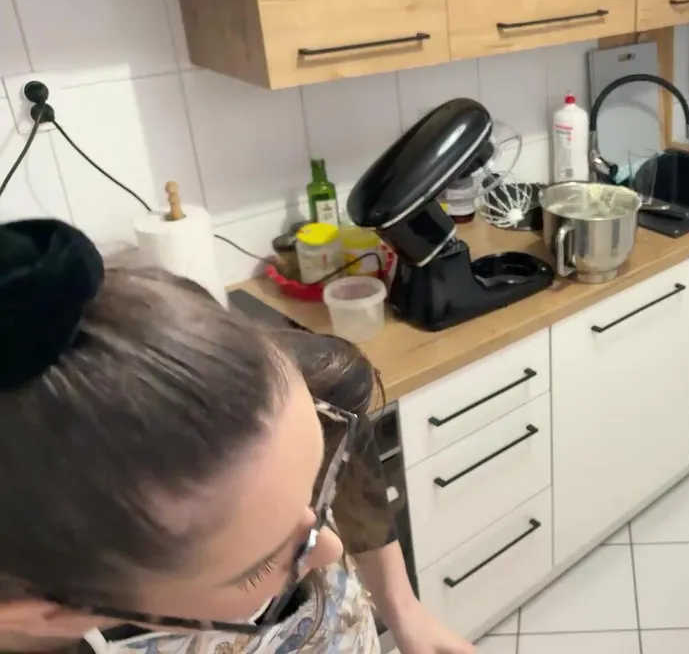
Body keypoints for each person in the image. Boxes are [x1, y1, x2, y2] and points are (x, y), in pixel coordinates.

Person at [0, 219, 474, 654]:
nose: (331, 545)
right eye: (261, 566)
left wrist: (404, 609)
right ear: (51, 614)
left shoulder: (262, 409)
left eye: (315, 484)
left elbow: (345, 434)